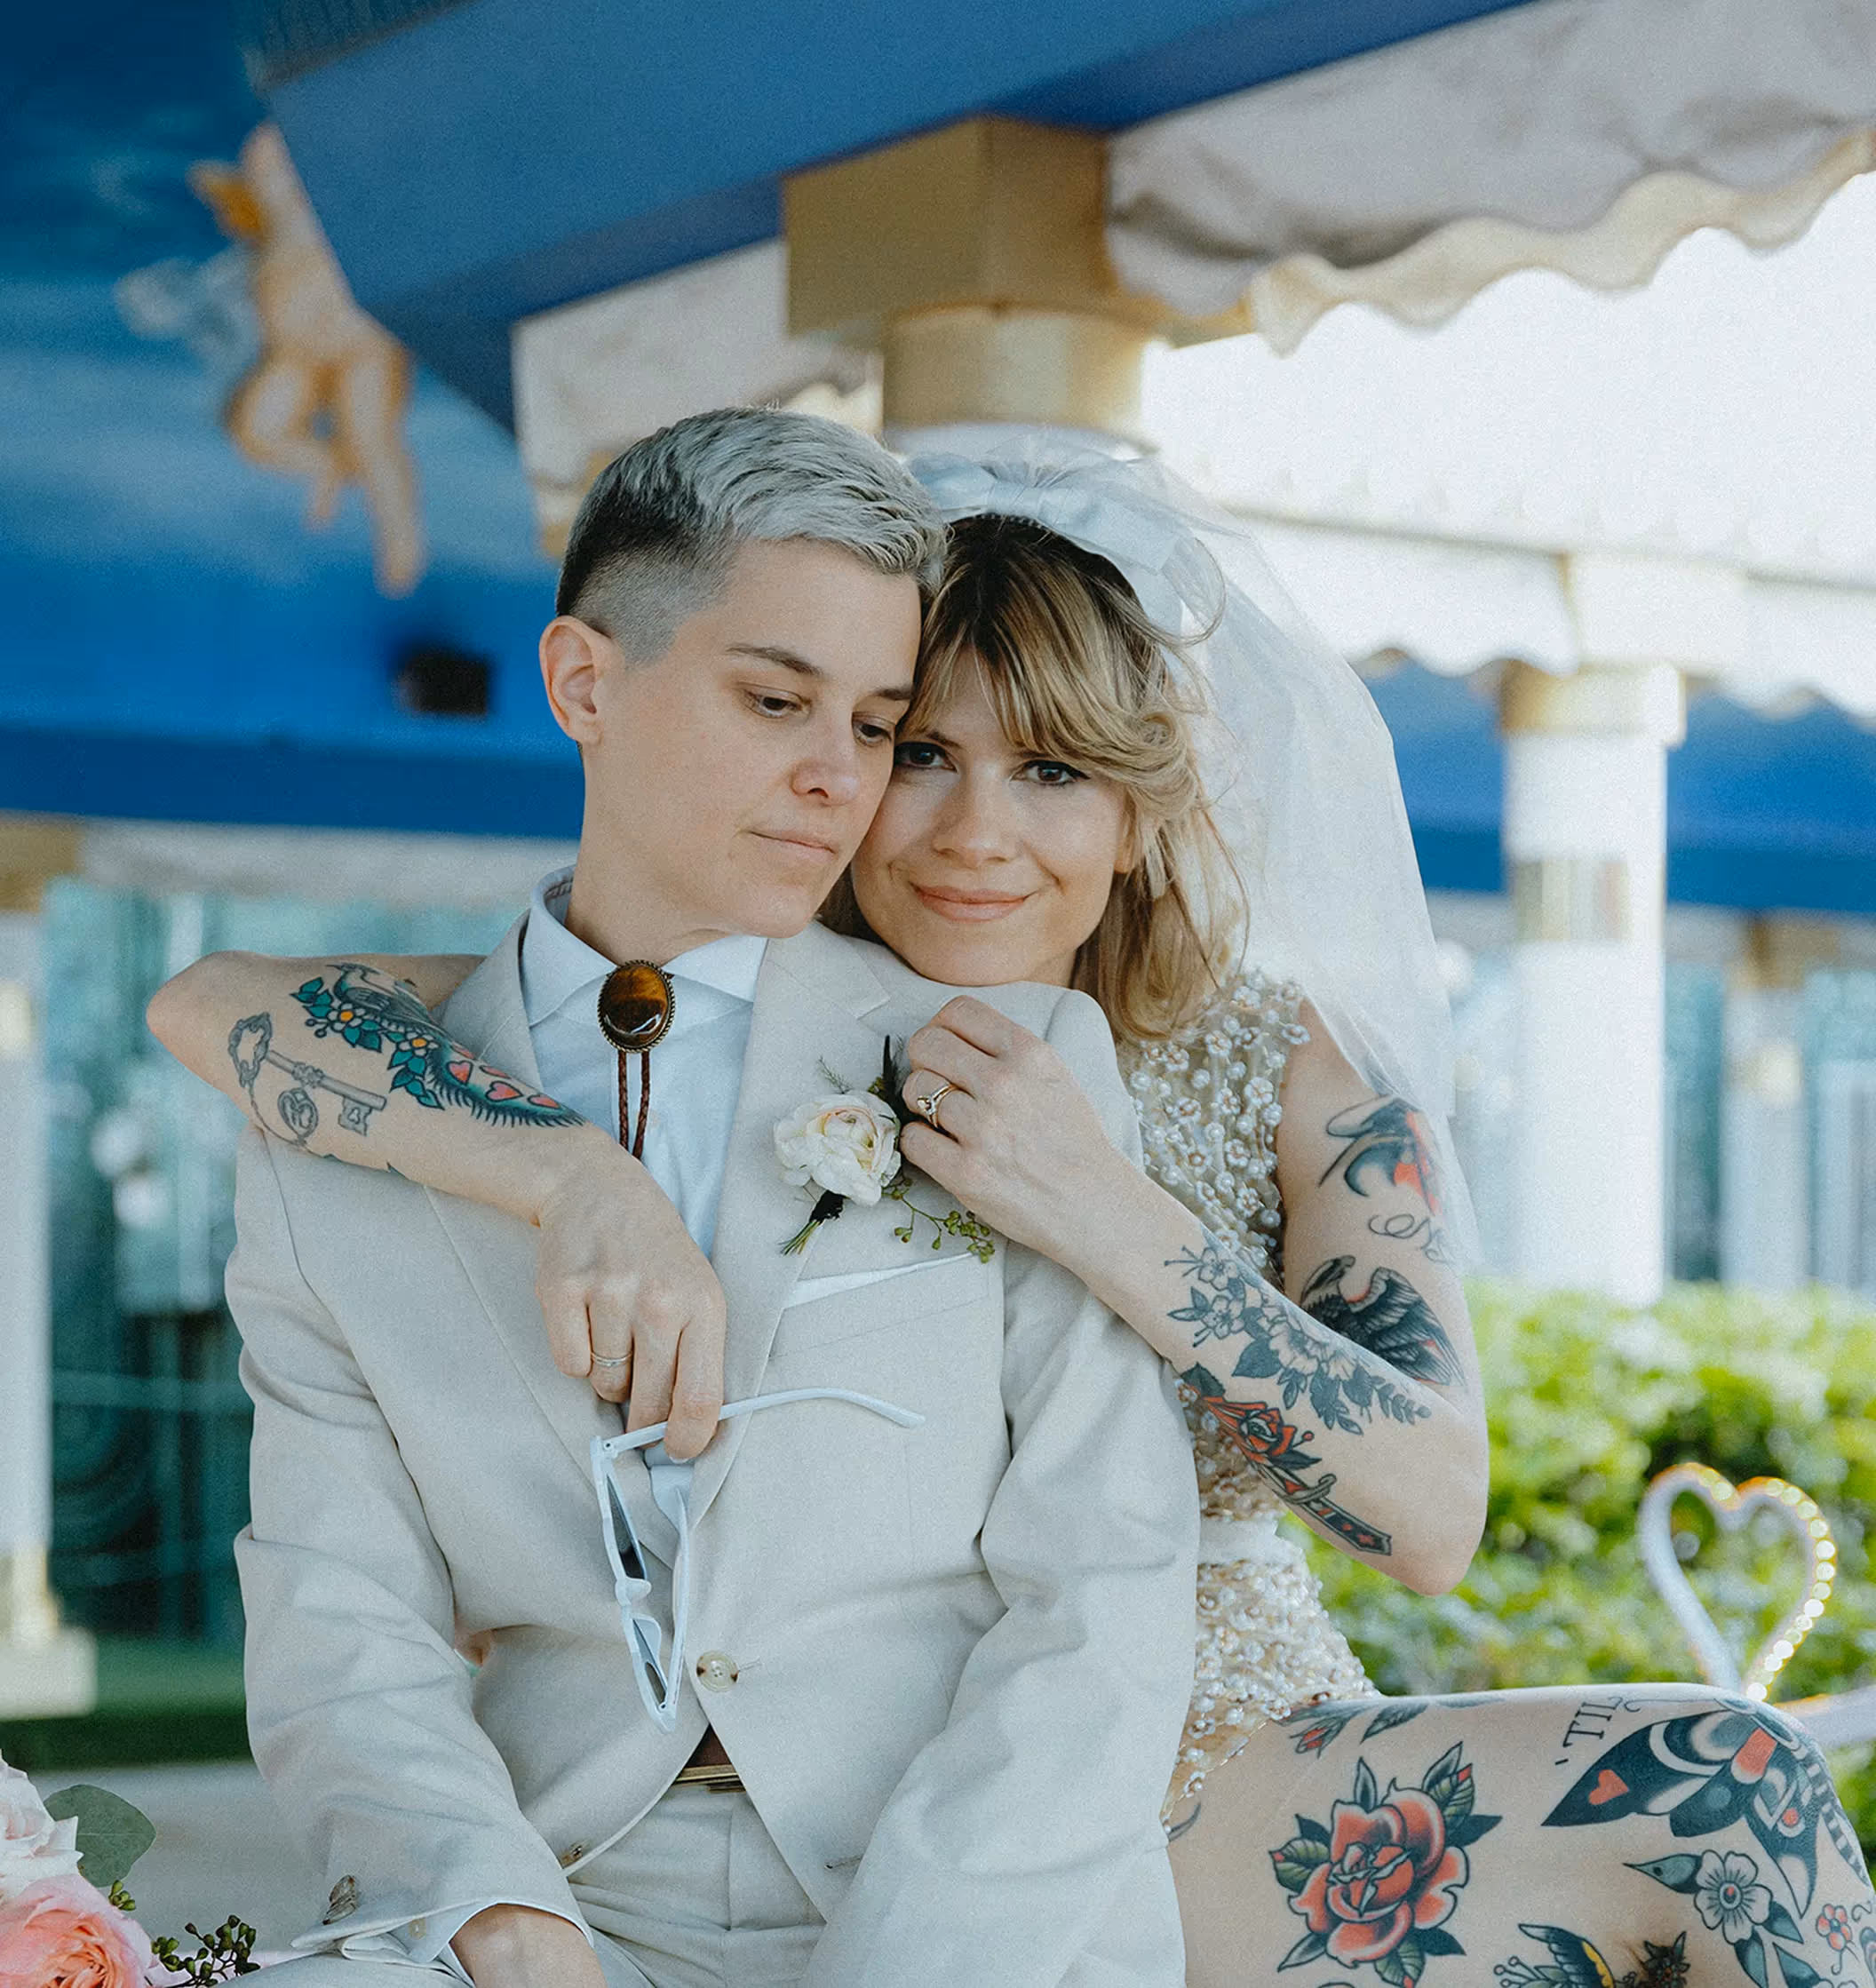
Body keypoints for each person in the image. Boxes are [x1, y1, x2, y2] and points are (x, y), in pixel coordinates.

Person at [154, 439, 1876, 1988]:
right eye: (919, 752)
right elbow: (230, 1006)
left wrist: (1099, 1204)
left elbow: (1418, 1513)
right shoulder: (537, 1046)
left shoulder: (1237, 1061)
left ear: (1138, 814)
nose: (966, 825)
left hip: (1174, 1731)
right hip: (751, 1797)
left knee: (1726, 1802)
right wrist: (563, 1171)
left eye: (1049, 770)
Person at [153, 409, 1202, 1988]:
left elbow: (1102, 1591)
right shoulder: (338, 1118)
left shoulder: (1006, 1059)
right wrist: (492, 1915)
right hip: (559, 1887)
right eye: (776, 699)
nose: (834, 781)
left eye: (876, 724)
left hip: (952, 1904)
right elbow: (337, 1615)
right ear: (584, 682)